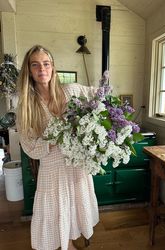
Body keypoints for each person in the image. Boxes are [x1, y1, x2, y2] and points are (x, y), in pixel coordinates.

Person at [16, 45, 99, 250]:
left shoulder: (72, 91)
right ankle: (65, 244)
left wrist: (100, 125)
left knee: (74, 208)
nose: (41, 69)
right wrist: (55, 138)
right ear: (29, 70)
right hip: (52, 169)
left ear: (53, 67)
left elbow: (100, 96)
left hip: (77, 164)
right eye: (35, 65)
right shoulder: (26, 106)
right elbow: (29, 147)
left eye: (46, 64)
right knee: (55, 211)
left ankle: (69, 242)